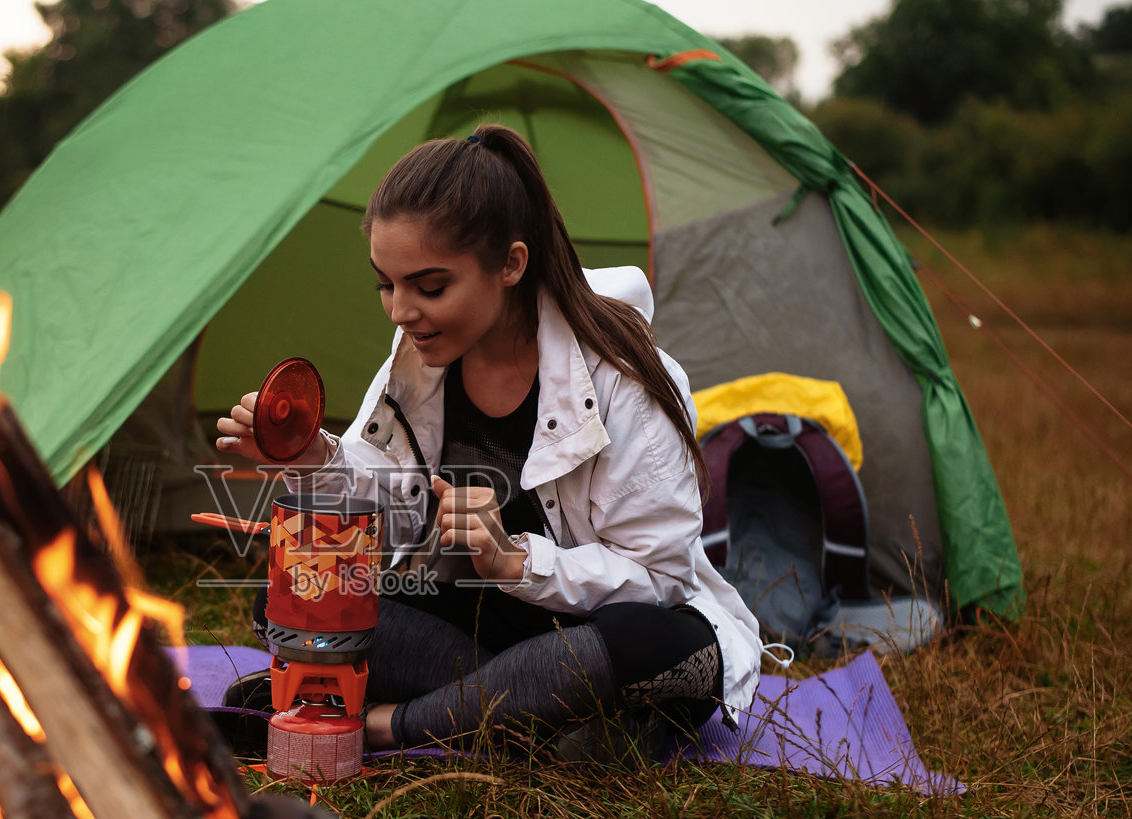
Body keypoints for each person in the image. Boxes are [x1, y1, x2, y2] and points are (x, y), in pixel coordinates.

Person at [216, 123, 761, 759]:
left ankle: (384, 724)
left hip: (599, 635)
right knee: (293, 591)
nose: (399, 311)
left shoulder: (624, 376)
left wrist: (514, 561)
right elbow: (387, 514)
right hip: (478, 633)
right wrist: (314, 459)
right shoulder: (418, 357)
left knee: (659, 649)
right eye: (386, 284)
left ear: (511, 264)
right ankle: (532, 723)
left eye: (429, 287)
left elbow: (659, 575)